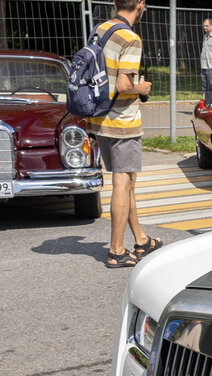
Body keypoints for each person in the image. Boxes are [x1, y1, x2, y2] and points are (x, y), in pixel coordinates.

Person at [88, 0, 158, 268]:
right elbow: (123, 84)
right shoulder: (129, 37)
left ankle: (140, 239)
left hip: (100, 116)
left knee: (128, 178)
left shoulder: (101, 29)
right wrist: (142, 88)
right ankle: (116, 251)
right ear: (140, 4)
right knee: (122, 181)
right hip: (121, 120)